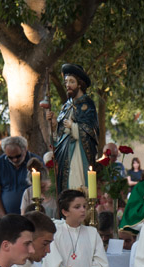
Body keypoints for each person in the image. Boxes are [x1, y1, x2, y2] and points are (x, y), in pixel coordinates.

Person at [47, 64, 98, 195]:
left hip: (78, 154)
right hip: (65, 155)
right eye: (66, 82)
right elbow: (59, 133)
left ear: (80, 84)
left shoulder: (87, 104)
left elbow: (92, 131)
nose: (67, 85)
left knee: (77, 185)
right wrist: (54, 124)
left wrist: (74, 127)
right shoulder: (66, 106)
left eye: (71, 81)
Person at [0, 136, 43, 216]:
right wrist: (3, 216)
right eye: (10, 157)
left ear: (25, 149)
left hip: (31, 215)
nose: (15, 160)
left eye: (18, 156)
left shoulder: (36, 161)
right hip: (8, 216)